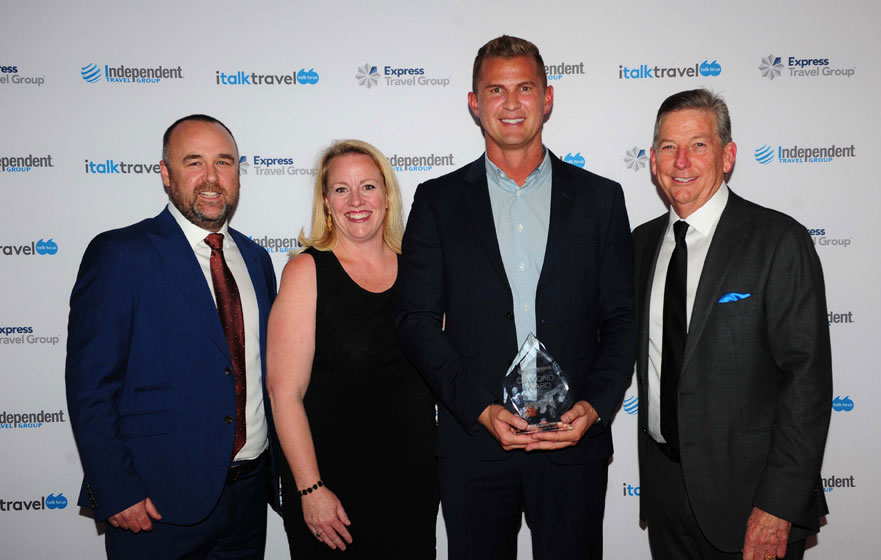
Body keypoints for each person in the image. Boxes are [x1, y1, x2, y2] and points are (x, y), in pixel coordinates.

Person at [395, 35, 635, 559]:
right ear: (474, 103)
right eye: (495, 90)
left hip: (573, 444)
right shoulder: (437, 201)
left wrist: (594, 407)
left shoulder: (600, 199)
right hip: (474, 445)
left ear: (547, 98)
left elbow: (622, 319)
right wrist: (479, 409)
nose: (511, 103)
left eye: (525, 88)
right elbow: (415, 320)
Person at [65, 114, 278, 559]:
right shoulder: (120, 253)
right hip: (154, 504)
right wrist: (115, 489)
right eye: (194, 162)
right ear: (165, 173)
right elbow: (91, 386)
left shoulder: (256, 259)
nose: (211, 177)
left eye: (224, 162)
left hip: (249, 497)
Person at [632, 88, 832, 560]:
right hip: (665, 495)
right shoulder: (639, 245)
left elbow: (807, 382)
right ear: (653, 161)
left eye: (698, 145)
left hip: (751, 501)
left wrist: (777, 505)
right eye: (668, 146)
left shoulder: (778, 241)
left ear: (727, 157)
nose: (681, 161)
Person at [267, 139, 438, 558]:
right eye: (341, 189)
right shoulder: (306, 271)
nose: (356, 201)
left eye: (368, 186)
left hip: (411, 488)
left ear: (387, 195)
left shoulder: (419, 268)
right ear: (326, 202)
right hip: (332, 494)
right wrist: (310, 489)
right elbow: (283, 393)